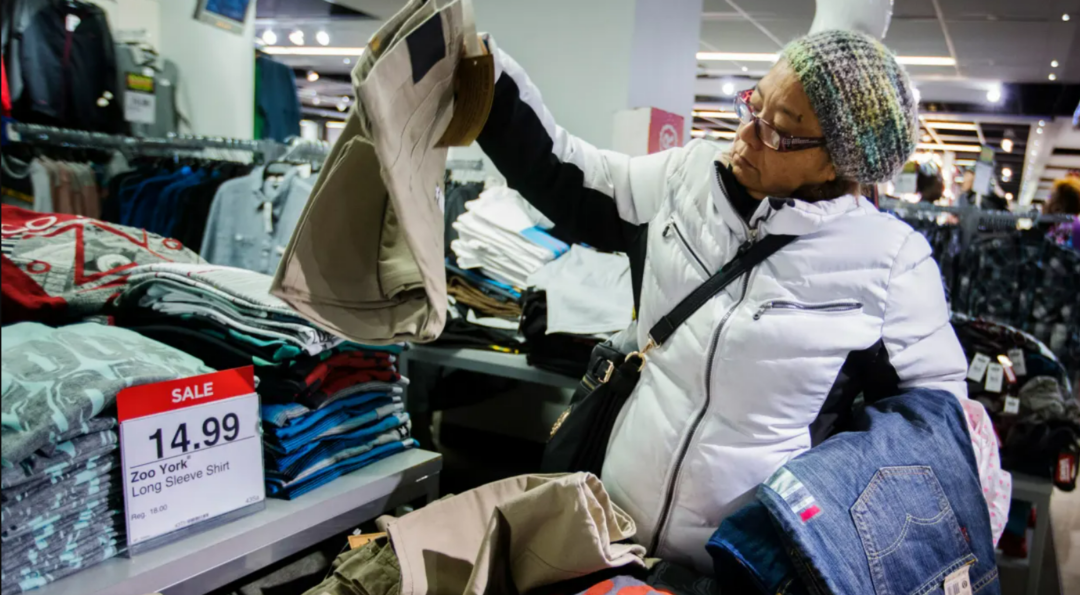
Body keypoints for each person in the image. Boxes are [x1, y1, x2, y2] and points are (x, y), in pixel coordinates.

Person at [476, 30, 987, 572]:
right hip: (608, 529)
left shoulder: (889, 264)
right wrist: (486, 78)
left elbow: (929, 435)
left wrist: (818, 510)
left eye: (782, 133)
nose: (747, 135)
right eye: (754, 104)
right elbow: (568, 176)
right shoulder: (684, 180)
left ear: (840, 164)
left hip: (744, 570)